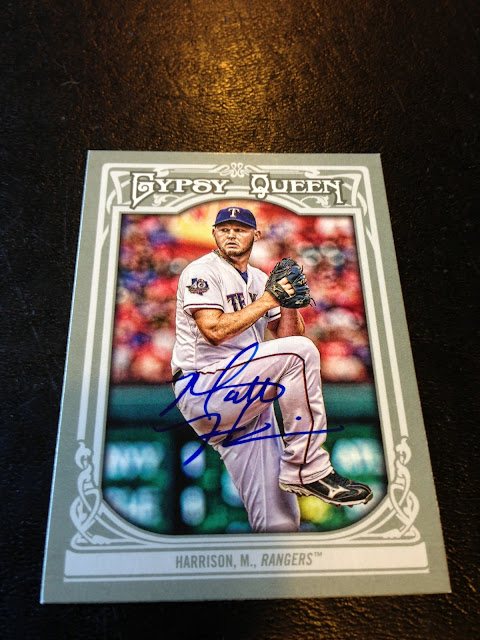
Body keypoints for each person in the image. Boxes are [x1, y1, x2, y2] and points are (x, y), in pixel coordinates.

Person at [170, 206, 372, 533]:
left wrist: (288, 303)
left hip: (244, 396)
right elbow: (214, 330)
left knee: (281, 520)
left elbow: (287, 339)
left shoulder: (259, 278)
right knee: (301, 352)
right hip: (206, 386)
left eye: (239, 229)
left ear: (256, 235)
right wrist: (268, 300)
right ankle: (308, 467)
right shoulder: (201, 271)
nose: (231, 234)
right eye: (224, 229)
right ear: (215, 234)